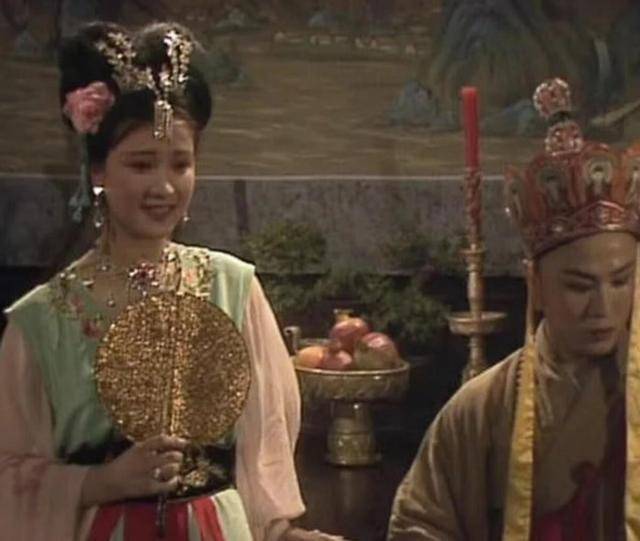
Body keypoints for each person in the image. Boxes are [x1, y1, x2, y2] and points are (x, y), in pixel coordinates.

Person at [0, 21, 343, 541]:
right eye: (141, 164)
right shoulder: (41, 321)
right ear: (98, 171)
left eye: (180, 164)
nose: (164, 186)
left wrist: (283, 533)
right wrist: (101, 481)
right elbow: (9, 479)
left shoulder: (233, 288)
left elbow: (264, 451)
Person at [387, 78, 640, 540]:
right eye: (579, 285)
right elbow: (420, 525)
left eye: (621, 280)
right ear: (536, 285)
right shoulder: (481, 409)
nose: (604, 307)